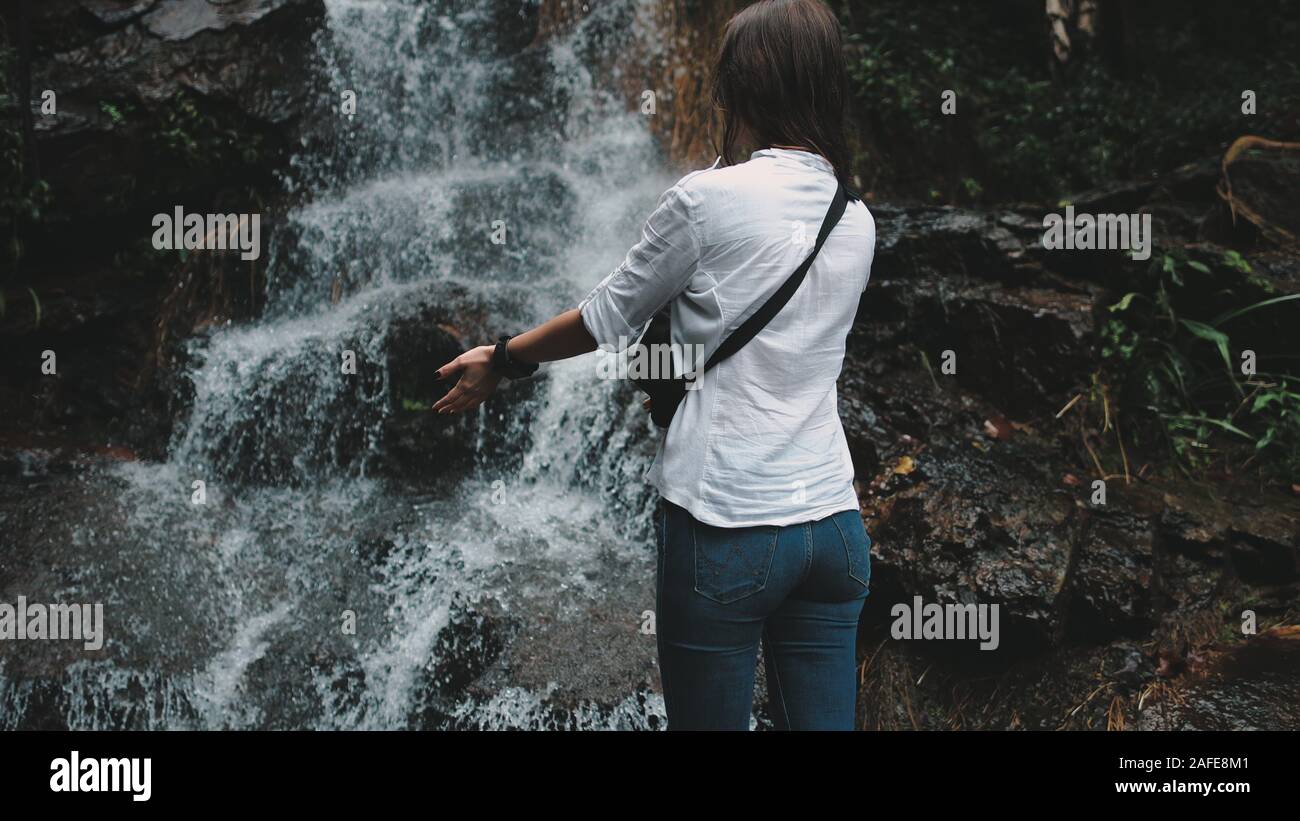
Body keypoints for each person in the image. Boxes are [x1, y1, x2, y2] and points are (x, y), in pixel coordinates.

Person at [433, 0, 876, 730]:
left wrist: (505, 357)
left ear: (740, 89)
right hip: (833, 528)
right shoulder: (855, 218)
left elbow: (604, 318)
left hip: (727, 522)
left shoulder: (706, 201)